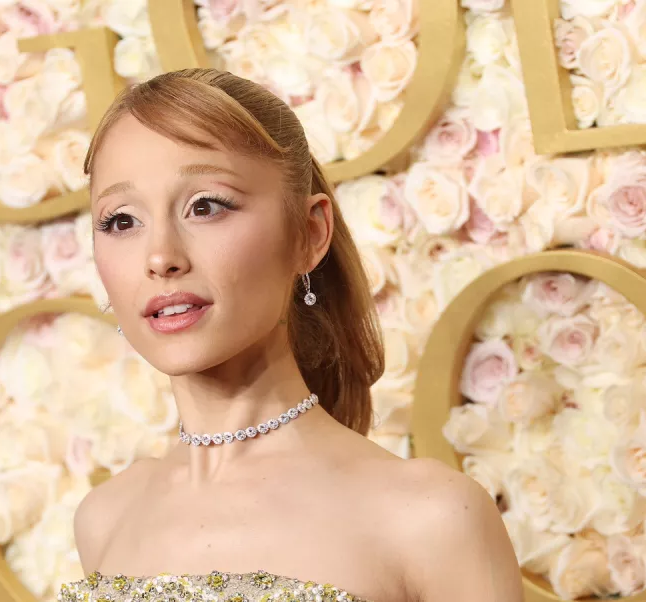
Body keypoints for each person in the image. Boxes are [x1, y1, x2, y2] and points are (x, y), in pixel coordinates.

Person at [61, 68, 524, 602]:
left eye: (206, 206)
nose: (161, 257)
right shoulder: (104, 518)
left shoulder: (431, 519)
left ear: (309, 234)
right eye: (120, 221)